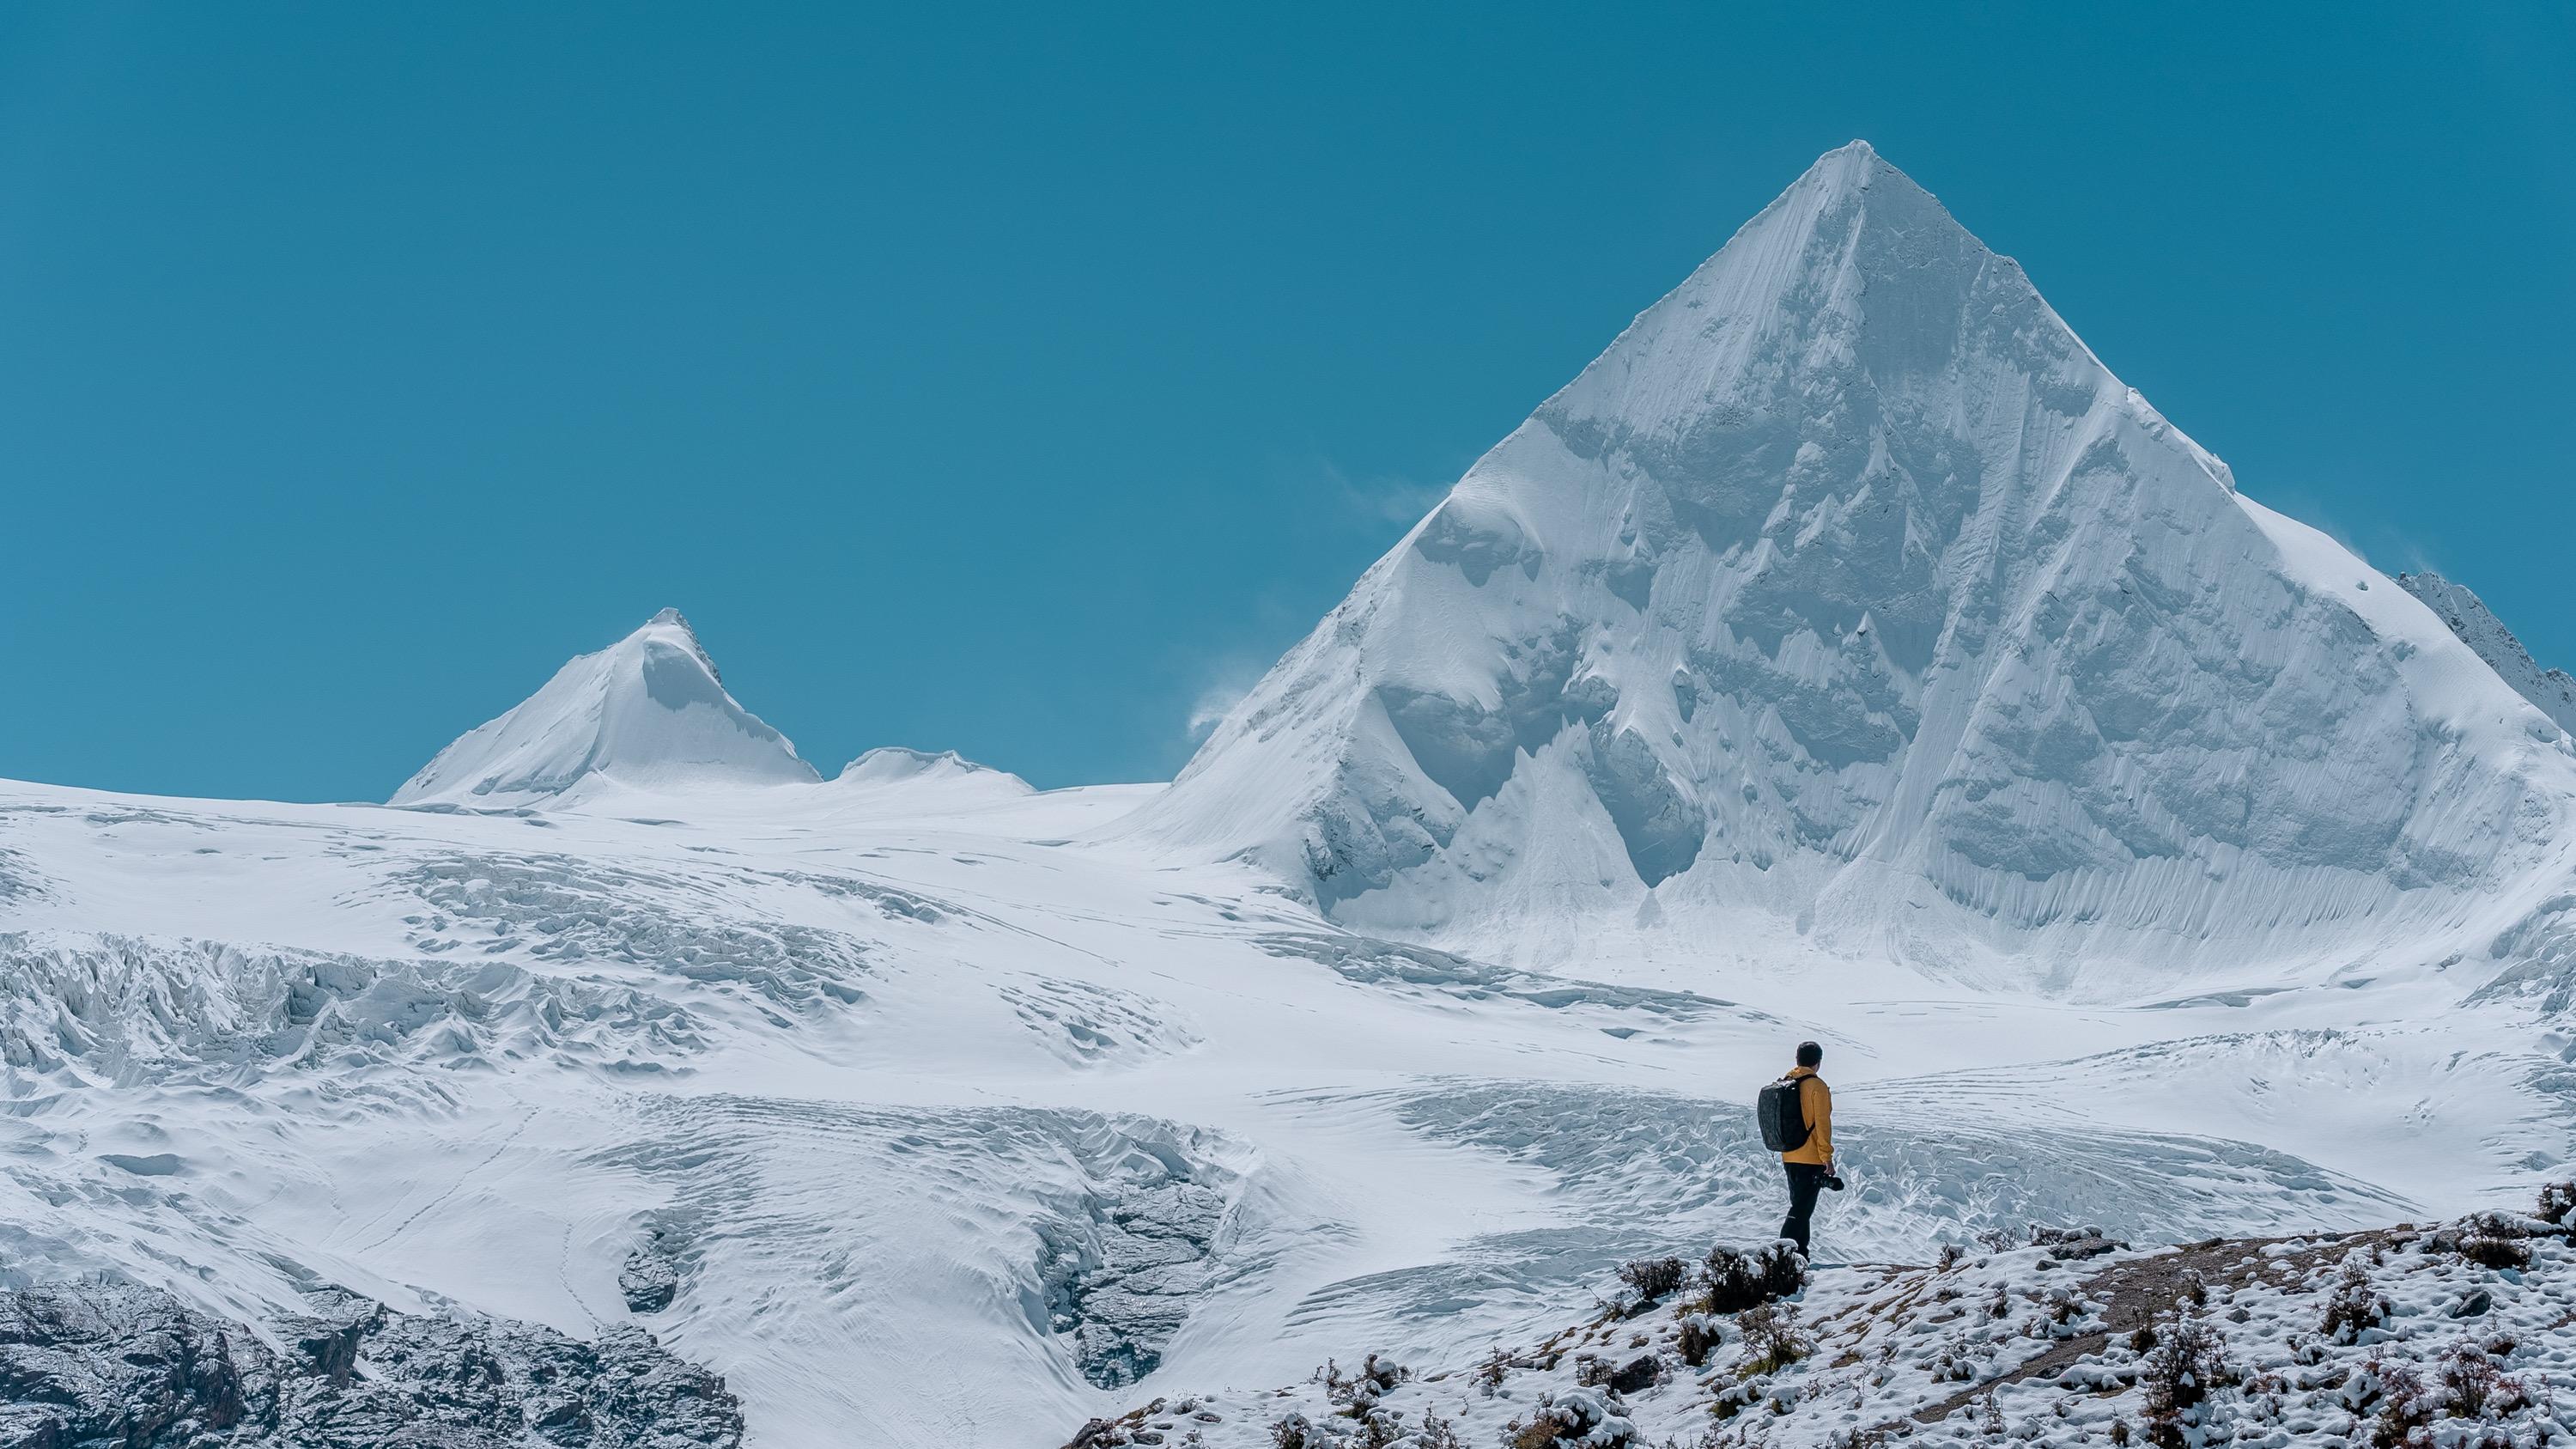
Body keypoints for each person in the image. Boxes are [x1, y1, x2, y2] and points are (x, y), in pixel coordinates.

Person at [1777, 1040, 1842, 1259]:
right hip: (1810, 1156)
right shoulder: (1817, 1086)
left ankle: (1800, 1254)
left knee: (1801, 1206)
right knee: (1801, 1210)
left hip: (1789, 1154)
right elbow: (1822, 1124)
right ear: (1818, 1062)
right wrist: (1827, 1157)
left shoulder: (1787, 1081)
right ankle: (1781, 1254)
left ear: (1797, 1059)